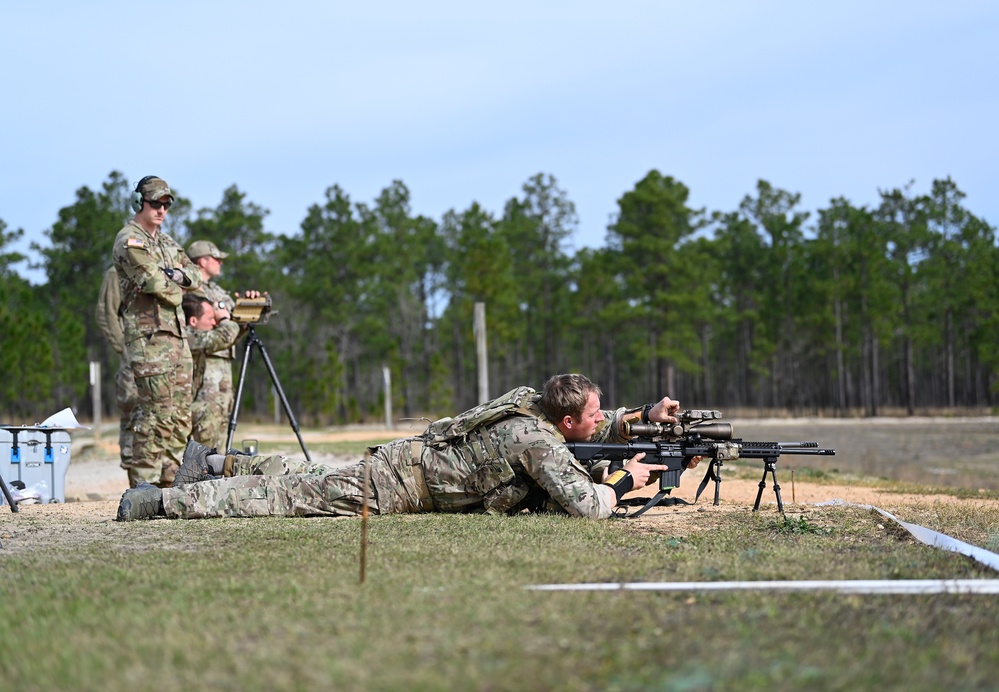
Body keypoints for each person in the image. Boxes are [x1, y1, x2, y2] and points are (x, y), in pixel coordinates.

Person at [116, 373, 700, 521]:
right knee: (291, 498)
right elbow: (586, 505)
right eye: (596, 413)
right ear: (567, 417)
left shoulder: (535, 405)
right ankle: (160, 502)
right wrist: (627, 482)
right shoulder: (540, 444)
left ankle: (218, 463)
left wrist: (639, 419)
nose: (601, 420)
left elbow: (590, 432)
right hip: (403, 484)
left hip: (410, 462)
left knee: (309, 474)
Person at [112, 175, 202, 488]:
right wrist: (177, 285)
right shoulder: (130, 240)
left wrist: (176, 274)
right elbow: (158, 286)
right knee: (153, 416)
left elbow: (195, 275)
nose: (161, 210)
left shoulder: (165, 242)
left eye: (166, 204)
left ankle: (169, 487)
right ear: (140, 203)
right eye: (155, 203)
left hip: (176, 339)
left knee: (179, 417)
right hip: (149, 342)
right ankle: (144, 489)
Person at [185, 240, 238, 450]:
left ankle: (220, 466)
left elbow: (233, 320)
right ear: (202, 261)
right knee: (206, 419)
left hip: (224, 359)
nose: (220, 263)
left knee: (224, 414)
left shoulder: (219, 292)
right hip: (205, 361)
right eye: (216, 259)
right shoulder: (190, 293)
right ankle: (202, 469)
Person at [94, 266, 139, 470]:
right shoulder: (118, 273)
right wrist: (124, 348)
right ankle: (137, 488)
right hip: (134, 357)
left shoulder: (159, 267)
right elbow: (105, 313)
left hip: (161, 356)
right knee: (133, 410)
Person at [182, 294, 244, 440]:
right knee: (208, 412)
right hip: (177, 409)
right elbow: (223, 337)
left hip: (184, 406)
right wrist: (224, 318)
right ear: (193, 321)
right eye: (210, 319)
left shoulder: (195, 337)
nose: (213, 324)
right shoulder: (188, 336)